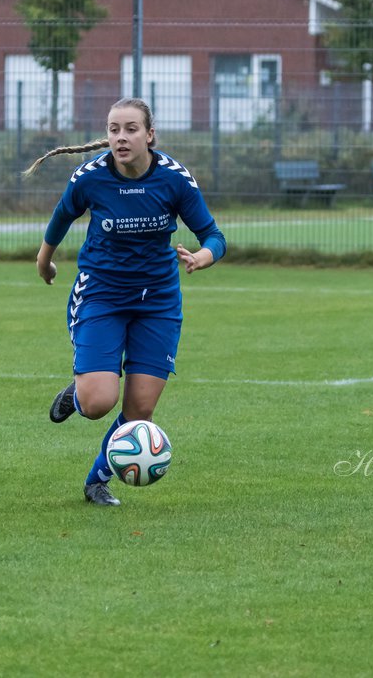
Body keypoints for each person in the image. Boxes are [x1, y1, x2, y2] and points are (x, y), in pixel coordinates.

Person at [26, 97, 226, 506]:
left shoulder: (173, 179)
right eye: (114, 129)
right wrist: (44, 262)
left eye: (131, 129)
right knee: (99, 402)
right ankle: (78, 394)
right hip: (101, 295)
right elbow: (62, 217)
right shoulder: (91, 177)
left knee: (140, 411)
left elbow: (214, 236)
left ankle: (96, 481)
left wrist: (203, 257)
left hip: (158, 302)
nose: (121, 137)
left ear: (149, 135)